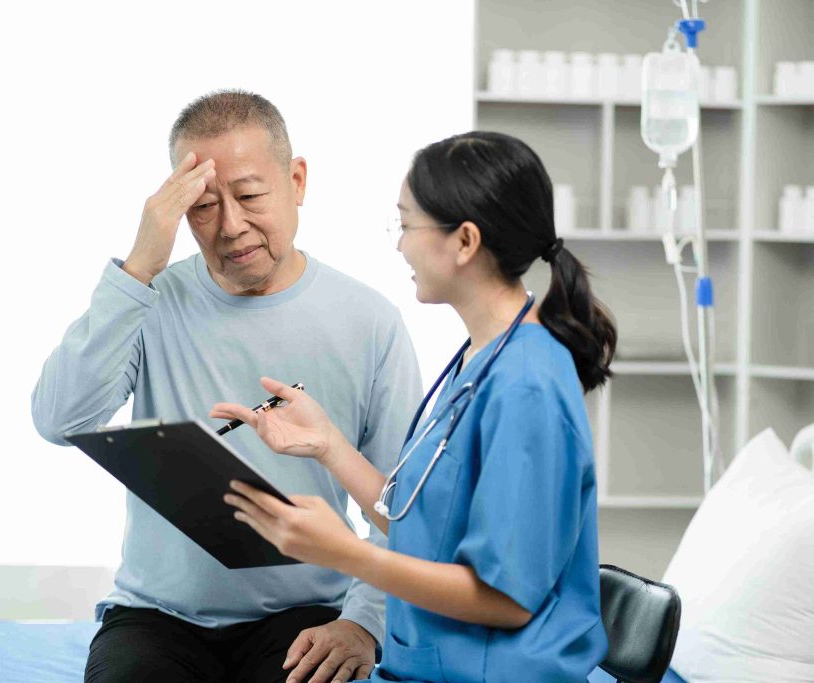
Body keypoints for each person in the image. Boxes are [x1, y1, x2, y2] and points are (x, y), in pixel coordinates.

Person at [31, 90, 423, 683]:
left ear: (297, 180)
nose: (231, 226)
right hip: (156, 618)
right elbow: (58, 421)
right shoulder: (150, 299)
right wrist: (140, 265)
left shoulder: (370, 320)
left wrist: (364, 622)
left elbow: (406, 505)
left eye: (250, 196)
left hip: (307, 614)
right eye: (204, 206)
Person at [213, 130, 618, 682]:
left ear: (465, 241)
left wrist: (347, 554)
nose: (399, 244)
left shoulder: (527, 384)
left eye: (405, 225)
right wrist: (329, 445)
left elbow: (508, 599)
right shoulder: (478, 358)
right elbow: (421, 521)